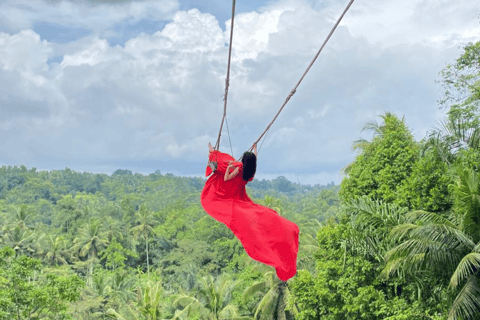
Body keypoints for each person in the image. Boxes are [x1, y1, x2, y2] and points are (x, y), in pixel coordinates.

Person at [201, 142, 299, 281]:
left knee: (256, 218)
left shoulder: (238, 168)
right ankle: (284, 235)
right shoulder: (249, 171)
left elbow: (224, 175)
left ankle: (276, 250)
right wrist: (254, 152)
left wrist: (214, 154)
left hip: (223, 198)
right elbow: (252, 162)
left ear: (243, 162)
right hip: (238, 199)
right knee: (263, 214)